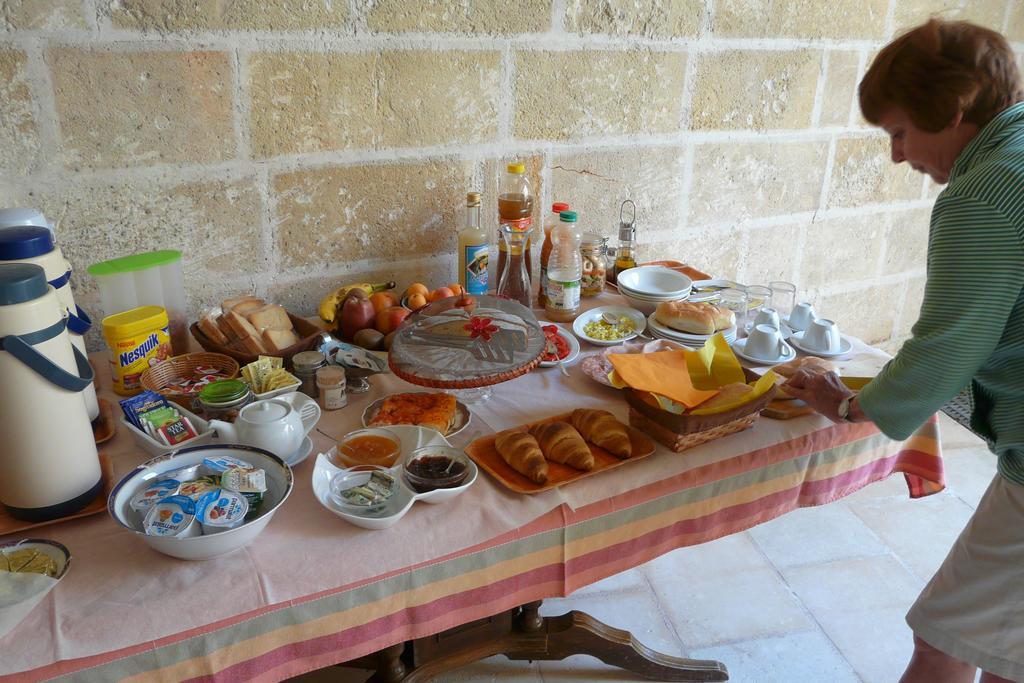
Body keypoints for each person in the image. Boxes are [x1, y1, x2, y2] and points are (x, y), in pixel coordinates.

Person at [783, 19, 1024, 683]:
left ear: (950, 110)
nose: (896, 156)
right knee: (1008, 653)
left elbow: (947, 345)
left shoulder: (986, 192)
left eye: (898, 132)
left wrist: (850, 402)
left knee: (942, 643)